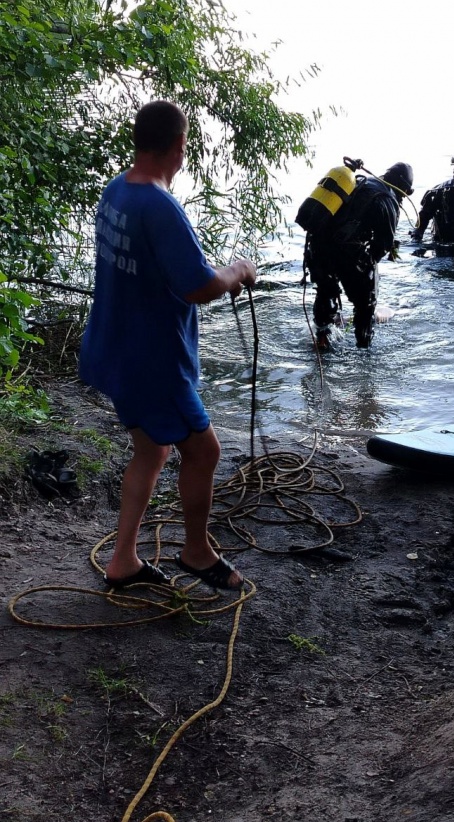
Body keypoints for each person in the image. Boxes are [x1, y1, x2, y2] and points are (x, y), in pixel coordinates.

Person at [79, 100, 256, 592]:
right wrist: (238, 271)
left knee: (152, 451)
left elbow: (166, 268)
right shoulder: (158, 204)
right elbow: (197, 286)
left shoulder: (118, 190)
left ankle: (123, 561)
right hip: (151, 361)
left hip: (112, 347)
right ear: (180, 146)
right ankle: (197, 553)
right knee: (204, 452)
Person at [302, 162, 414, 349]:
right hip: (345, 251)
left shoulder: (360, 183)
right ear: (403, 189)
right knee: (365, 303)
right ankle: (364, 349)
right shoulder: (387, 199)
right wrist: (366, 268)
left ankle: (322, 339)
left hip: (317, 245)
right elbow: (383, 245)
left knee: (325, 291)